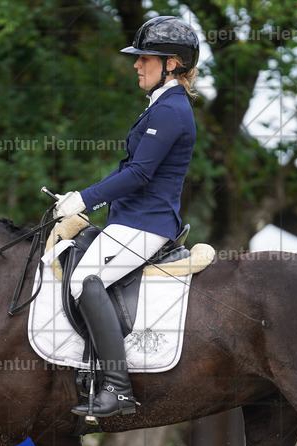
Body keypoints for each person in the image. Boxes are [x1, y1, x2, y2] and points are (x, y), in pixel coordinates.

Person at [53, 15, 199, 419]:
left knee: (85, 281)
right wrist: (79, 198)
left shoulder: (171, 110)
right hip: (130, 219)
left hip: (146, 224)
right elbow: (127, 167)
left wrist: (85, 199)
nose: (136, 64)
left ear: (171, 63)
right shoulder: (160, 106)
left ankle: (118, 390)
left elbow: (139, 174)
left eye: (145, 58)